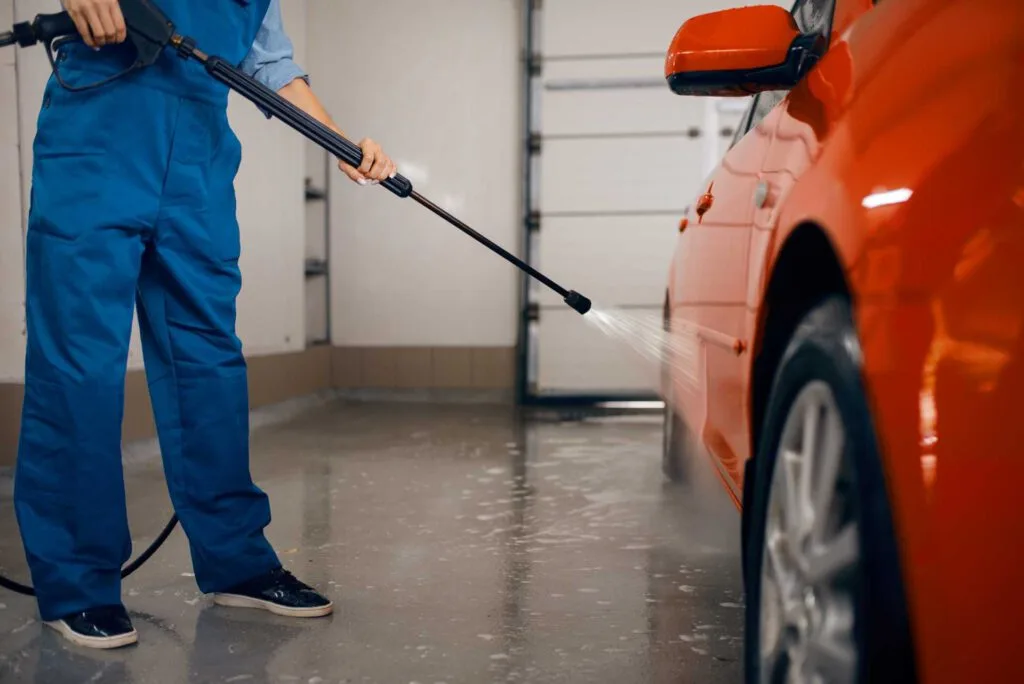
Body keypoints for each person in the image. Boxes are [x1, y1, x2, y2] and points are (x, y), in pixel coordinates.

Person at [14, 0, 393, 650]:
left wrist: (343, 144)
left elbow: (273, 69)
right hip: (97, 147)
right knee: (80, 364)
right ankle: (76, 583)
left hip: (195, 167)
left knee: (209, 364)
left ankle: (237, 561)